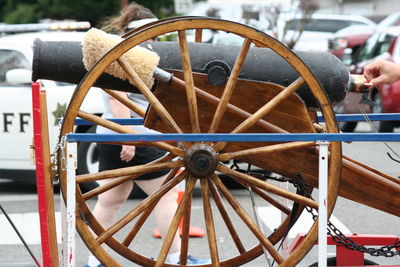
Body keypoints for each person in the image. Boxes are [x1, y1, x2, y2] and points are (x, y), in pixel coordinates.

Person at [85, 3, 210, 267]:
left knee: (110, 201)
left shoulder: (126, 51)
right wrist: (128, 135)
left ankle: (94, 262)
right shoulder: (129, 54)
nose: (154, 40)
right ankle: (176, 259)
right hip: (134, 136)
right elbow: (115, 95)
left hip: (110, 135)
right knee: (165, 197)